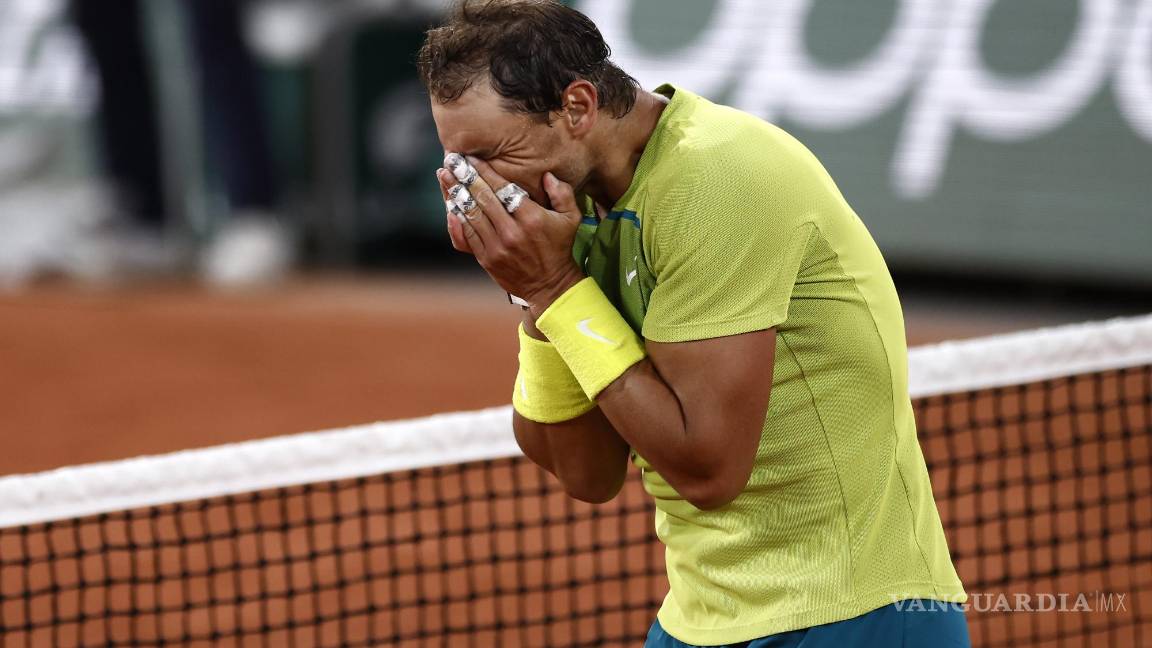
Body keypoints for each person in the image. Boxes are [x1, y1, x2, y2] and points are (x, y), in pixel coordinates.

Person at [418, 1, 971, 646]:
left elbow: (708, 469)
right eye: (457, 163)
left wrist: (553, 286)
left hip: (851, 613)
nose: (472, 187)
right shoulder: (575, 206)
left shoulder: (718, 180)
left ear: (576, 108)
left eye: (489, 155)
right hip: (700, 620)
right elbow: (586, 475)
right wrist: (538, 300)